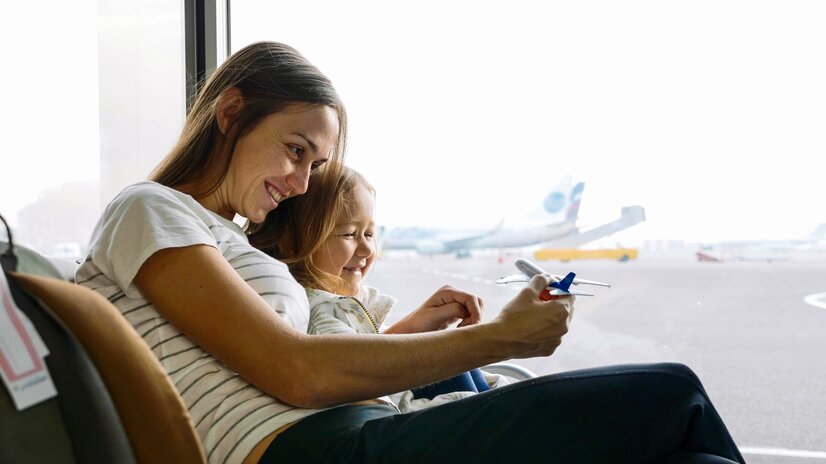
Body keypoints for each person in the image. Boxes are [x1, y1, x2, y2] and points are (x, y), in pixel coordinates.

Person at [76, 41, 745, 464]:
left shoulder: (228, 239)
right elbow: (297, 372)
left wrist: (415, 333)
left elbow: (289, 361)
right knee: (672, 394)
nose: (302, 182)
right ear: (230, 114)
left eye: (317, 164)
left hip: (349, 430)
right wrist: (502, 340)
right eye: (296, 150)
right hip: (313, 448)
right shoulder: (150, 209)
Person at [264, 166, 500, 412]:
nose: (366, 250)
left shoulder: (336, 306)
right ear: (291, 242)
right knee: (452, 356)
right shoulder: (320, 315)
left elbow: (365, 365)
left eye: (369, 234)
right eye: (349, 234)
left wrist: (414, 328)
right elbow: (380, 401)